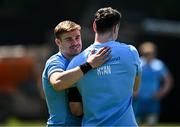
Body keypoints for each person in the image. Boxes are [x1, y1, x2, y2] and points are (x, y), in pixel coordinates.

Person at [66, 7, 142, 126]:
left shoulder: (75, 63)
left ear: (94, 26)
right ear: (115, 28)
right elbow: (135, 87)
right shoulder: (131, 52)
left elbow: (76, 110)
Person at [41, 20, 111, 126]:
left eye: (77, 37)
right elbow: (57, 83)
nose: (75, 42)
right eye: (69, 39)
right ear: (58, 42)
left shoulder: (82, 60)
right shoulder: (56, 61)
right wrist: (89, 65)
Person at [133, 41, 173, 125]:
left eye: (151, 53)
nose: (149, 55)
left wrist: (161, 93)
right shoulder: (138, 63)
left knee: (151, 122)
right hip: (138, 99)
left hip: (153, 99)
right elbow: (128, 78)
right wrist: (132, 92)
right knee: (135, 123)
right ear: (142, 53)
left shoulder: (159, 65)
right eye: (146, 53)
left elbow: (168, 81)